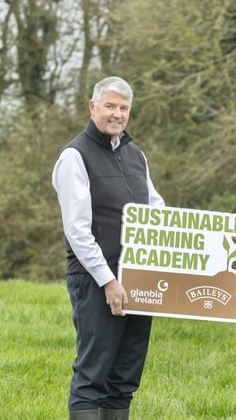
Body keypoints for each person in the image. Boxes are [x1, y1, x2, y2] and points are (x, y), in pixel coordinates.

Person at [53, 76, 165, 420]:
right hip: (95, 279)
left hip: (138, 277)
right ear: (93, 107)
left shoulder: (136, 155)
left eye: (124, 108)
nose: (117, 114)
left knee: (125, 375)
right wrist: (108, 281)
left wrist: (216, 240)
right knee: (93, 374)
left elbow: (159, 213)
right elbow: (77, 230)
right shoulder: (74, 157)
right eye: (110, 106)